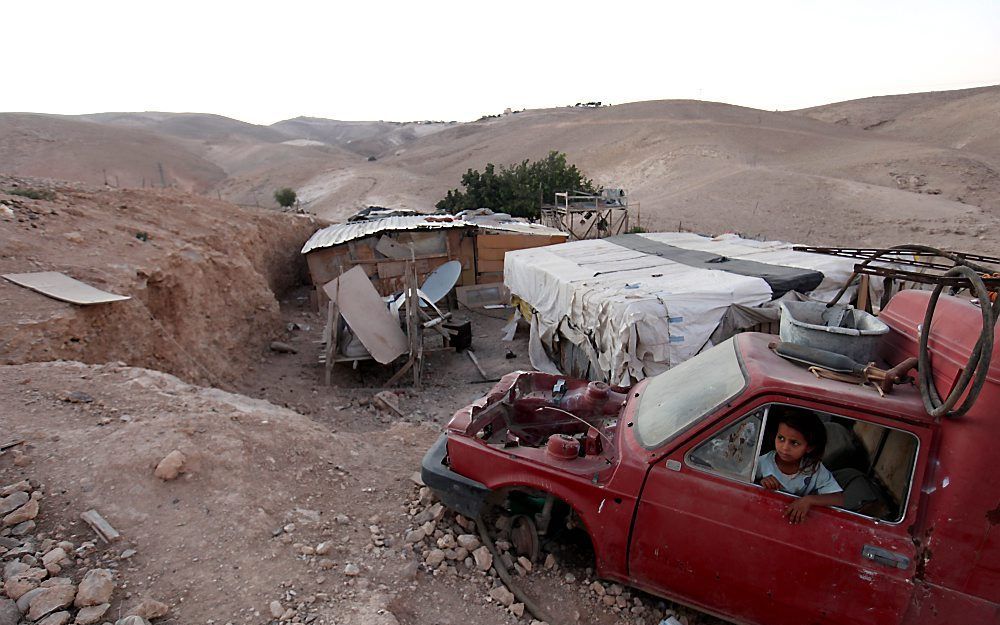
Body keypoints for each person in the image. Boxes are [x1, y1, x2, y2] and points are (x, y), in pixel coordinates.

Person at [755, 409, 844, 524]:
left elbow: (838, 499)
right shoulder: (763, 462)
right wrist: (760, 483)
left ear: (809, 447)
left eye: (794, 443)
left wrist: (808, 500)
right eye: (781, 438)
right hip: (766, 518)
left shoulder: (814, 468)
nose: (785, 448)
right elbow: (742, 484)